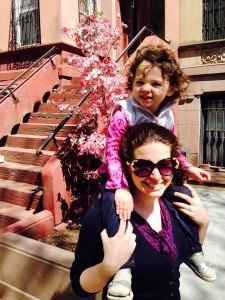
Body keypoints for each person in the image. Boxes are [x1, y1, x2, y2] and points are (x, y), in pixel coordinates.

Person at [99, 44, 216, 299]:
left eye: (154, 83)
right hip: (121, 172)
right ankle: (123, 269)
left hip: (151, 172)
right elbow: (111, 150)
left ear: (170, 88)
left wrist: (189, 168)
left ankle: (194, 250)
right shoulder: (124, 112)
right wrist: (119, 187)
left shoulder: (167, 116)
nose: (145, 89)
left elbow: (171, 151)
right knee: (112, 206)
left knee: (183, 194)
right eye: (140, 81)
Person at [70, 122, 211, 300]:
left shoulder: (175, 204)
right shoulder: (102, 215)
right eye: (142, 167)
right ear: (128, 167)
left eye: (165, 165)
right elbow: (79, 287)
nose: (156, 176)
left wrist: (203, 223)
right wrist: (108, 266)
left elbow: (185, 252)